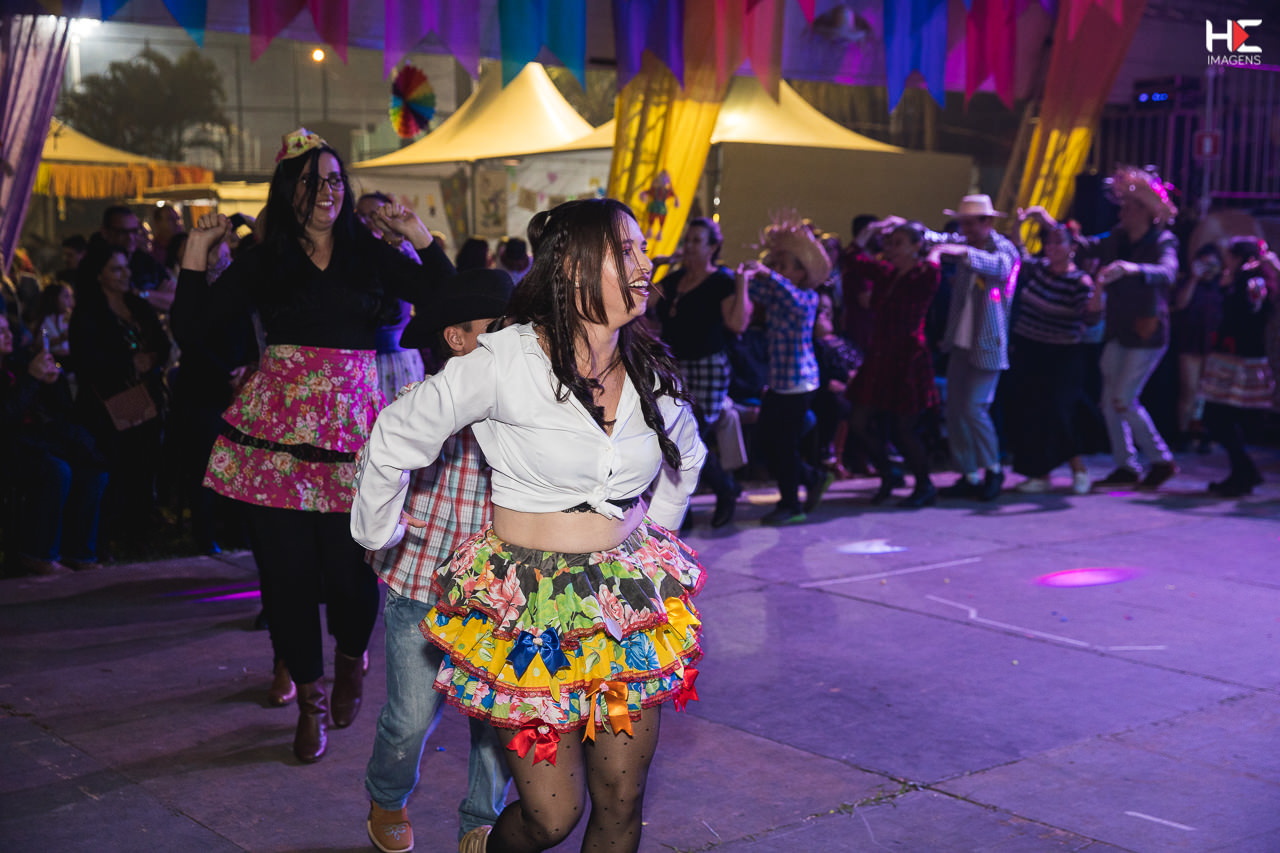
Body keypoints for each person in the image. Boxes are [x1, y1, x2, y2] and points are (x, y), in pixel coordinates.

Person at [352, 198, 707, 853]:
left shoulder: (647, 367)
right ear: (572, 268)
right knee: (552, 816)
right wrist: (379, 532)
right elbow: (395, 434)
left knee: (622, 799)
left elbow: (687, 456)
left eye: (642, 248)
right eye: (625, 249)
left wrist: (653, 537)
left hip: (623, 609)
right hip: (529, 614)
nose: (645, 262)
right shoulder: (506, 360)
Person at [171, 128, 454, 763]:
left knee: (353, 577)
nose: (326, 191)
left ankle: (350, 658)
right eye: (310, 181)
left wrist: (418, 236)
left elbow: (445, 298)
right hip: (276, 436)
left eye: (333, 179)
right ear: (288, 191)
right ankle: (309, 699)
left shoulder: (366, 253)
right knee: (287, 577)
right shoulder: (266, 260)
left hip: (353, 435)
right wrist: (195, 251)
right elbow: (192, 326)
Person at [363, 268, 516, 853]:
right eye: (499, 327)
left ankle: (481, 819)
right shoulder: (417, 402)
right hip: (421, 586)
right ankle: (387, 795)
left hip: (499, 595)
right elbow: (376, 470)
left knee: (497, 723)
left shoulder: (524, 409)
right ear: (457, 339)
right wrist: (383, 531)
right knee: (408, 719)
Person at [1025, 166, 1181, 489]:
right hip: (1118, 330)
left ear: (1145, 211)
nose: (1122, 212)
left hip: (1147, 333)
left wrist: (1132, 269)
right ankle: (1126, 467)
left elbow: (1168, 272)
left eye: (1129, 207)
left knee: (1123, 399)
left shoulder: (1162, 240)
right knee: (1109, 401)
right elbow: (1082, 246)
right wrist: (1050, 224)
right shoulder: (1117, 237)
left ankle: (1161, 461)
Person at [905, 195, 1020, 502]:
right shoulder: (966, 244)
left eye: (970, 223)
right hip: (960, 341)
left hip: (988, 343)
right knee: (955, 411)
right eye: (963, 224)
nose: (965, 230)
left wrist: (961, 251)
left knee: (974, 408)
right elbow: (937, 239)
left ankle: (993, 469)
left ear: (988, 222)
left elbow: (1000, 268)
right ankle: (969, 474)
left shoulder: (1003, 249)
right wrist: (905, 227)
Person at [70, 242, 171, 545]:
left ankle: (141, 525)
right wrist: (128, 363)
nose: (125, 274)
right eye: (116, 269)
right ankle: (111, 530)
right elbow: (85, 359)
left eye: (126, 267)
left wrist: (152, 359)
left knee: (145, 463)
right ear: (99, 274)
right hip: (108, 405)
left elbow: (162, 343)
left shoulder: (138, 306)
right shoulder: (88, 312)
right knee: (117, 466)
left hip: (146, 399)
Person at [653, 217, 750, 528]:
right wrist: (654, 269)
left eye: (697, 240)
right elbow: (638, 307)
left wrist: (742, 284)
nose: (690, 246)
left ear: (713, 247)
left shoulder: (721, 281)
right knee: (675, 435)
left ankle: (718, 492)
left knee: (690, 436)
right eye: (688, 240)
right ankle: (711, 495)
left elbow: (737, 324)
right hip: (675, 366)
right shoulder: (674, 280)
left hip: (708, 367)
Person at [843, 219, 941, 508]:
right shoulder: (887, 273)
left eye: (899, 243)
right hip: (881, 356)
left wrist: (935, 251)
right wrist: (872, 229)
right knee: (858, 421)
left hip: (907, 358)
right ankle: (889, 473)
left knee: (903, 428)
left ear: (915, 246)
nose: (891, 249)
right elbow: (851, 258)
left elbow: (934, 265)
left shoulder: (923, 274)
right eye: (890, 243)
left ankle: (924, 484)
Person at [745, 214, 835, 525]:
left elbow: (791, 298)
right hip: (779, 382)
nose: (777, 270)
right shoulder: (777, 291)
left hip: (798, 383)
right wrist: (752, 274)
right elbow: (754, 292)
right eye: (777, 264)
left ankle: (791, 504)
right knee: (770, 442)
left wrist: (768, 274)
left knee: (784, 445)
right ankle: (811, 478)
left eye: (784, 266)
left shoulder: (808, 297)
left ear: (801, 272)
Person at [0, 314, 108, 575]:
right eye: (0, 331)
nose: (9, 335)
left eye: (8, 329)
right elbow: (6, 417)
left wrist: (53, 381)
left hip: (39, 440)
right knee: (57, 470)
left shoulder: (18, 363)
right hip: (10, 446)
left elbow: (62, 411)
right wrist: (31, 379)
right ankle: (38, 554)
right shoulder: (22, 371)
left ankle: (79, 552)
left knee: (93, 470)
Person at [1005, 218, 1103, 494]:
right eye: (1048, 242)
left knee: (1060, 412)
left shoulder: (1079, 281)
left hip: (1062, 355)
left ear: (1073, 248)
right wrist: (1019, 224)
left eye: (1059, 242)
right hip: (1029, 348)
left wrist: (1099, 288)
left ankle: (1078, 469)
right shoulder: (1038, 270)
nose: (1052, 247)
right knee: (1031, 412)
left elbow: (1091, 319)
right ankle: (1038, 473)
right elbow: (1019, 254)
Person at [1199, 237, 1275, 496]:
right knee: (1221, 417)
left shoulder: (1250, 280)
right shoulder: (1246, 280)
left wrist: (1230, 287)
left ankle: (1244, 472)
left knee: (1218, 416)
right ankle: (1243, 472)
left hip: (1238, 359)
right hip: (1236, 356)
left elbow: (1247, 314)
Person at [356, 191, 428, 400]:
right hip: (359, 358)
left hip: (397, 356)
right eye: (360, 215)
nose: (365, 221)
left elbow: (424, 285)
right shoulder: (349, 255)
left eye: (372, 215)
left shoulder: (401, 251)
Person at [1170, 244, 1224, 451]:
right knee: (1189, 389)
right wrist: (1194, 278)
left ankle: (1200, 432)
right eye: (1204, 264)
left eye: (1212, 264)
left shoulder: (1222, 284)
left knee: (1207, 393)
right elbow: (1180, 304)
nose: (1208, 269)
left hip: (1215, 345)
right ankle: (1183, 433)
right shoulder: (1187, 283)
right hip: (1190, 342)